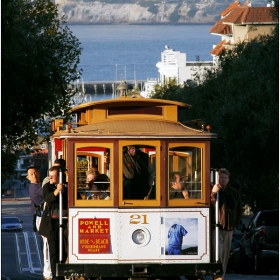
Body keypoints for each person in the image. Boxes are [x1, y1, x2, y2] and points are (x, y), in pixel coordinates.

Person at [210, 168, 243, 280]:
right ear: (217, 178)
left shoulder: (234, 192)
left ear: (228, 179)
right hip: (216, 227)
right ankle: (217, 275)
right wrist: (213, 193)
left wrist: (235, 222)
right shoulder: (213, 190)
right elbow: (210, 206)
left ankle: (221, 277)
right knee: (216, 254)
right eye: (221, 177)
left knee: (225, 255)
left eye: (225, 178)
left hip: (229, 228)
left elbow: (239, 209)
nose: (223, 180)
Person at [43, 166, 68, 280]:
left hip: (65, 222)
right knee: (53, 251)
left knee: (64, 249)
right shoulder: (47, 186)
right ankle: (56, 276)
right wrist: (57, 190)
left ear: (60, 176)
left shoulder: (67, 186)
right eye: (50, 175)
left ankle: (62, 272)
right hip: (52, 223)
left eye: (53, 176)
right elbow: (47, 198)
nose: (50, 178)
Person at [27, 166, 44, 232]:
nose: (34, 175)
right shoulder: (34, 187)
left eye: (35, 173)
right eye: (31, 174)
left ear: (39, 173)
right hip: (41, 216)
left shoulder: (39, 184)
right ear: (28, 177)